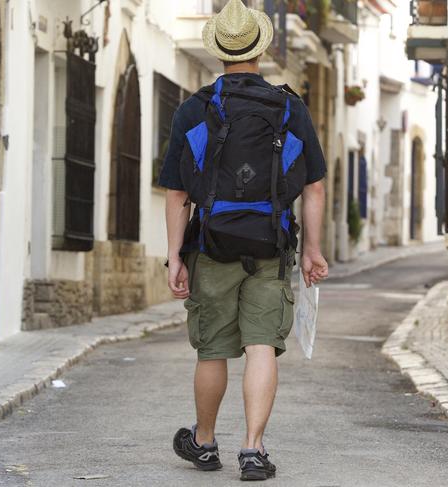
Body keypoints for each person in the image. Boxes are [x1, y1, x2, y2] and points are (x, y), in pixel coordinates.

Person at [158, 0, 328, 481]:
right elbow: (313, 186)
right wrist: (312, 249)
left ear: (220, 53)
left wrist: (174, 257)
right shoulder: (290, 107)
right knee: (259, 347)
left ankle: (206, 443)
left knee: (212, 350)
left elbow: (177, 193)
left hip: (211, 247)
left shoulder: (194, 110)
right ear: (260, 49)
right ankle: (252, 451)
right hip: (271, 247)